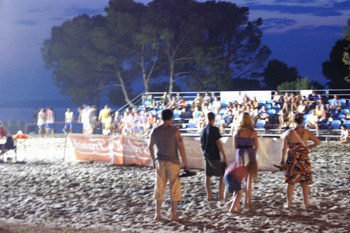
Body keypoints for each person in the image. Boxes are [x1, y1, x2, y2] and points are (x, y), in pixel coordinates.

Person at [148, 109, 189, 221]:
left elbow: (150, 146)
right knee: (174, 187)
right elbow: (181, 148)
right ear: (171, 118)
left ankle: (158, 214)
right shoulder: (175, 130)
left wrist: (153, 160)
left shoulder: (155, 130)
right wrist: (185, 163)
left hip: (160, 161)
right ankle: (173, 215)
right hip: (173, 162)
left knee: (159, 186)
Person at [280, 113, 321, 209]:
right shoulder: (306, 132)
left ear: (293, 120)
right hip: (303, 158)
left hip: (293, 159)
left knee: (291, 182)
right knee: (304, 182)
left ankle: (289, 203)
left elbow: (284, 148)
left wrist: (282, 160)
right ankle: (306, 204)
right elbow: (318, 142)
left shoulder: (288, 133)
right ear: (302, 121)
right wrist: (309, 146)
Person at [233, 112, 259, 208]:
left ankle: (237, 201)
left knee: (239, 179)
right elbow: (257, 146)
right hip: (250, 155)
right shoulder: (253, 133)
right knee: (249, 180)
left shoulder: (237, 132)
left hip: (240, 155)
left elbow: (235, 146)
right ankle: (248, 201)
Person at [200, 112, 227, 201]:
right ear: (213, 119)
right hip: (214, 154)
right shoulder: (215, 129)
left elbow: (201, 144)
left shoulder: (203, 130)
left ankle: (209, 196)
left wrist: (204, 152)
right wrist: (223, 154)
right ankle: (221, 196)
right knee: (221, 175)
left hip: (206, 154)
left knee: (207, 176)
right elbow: (218, 143)